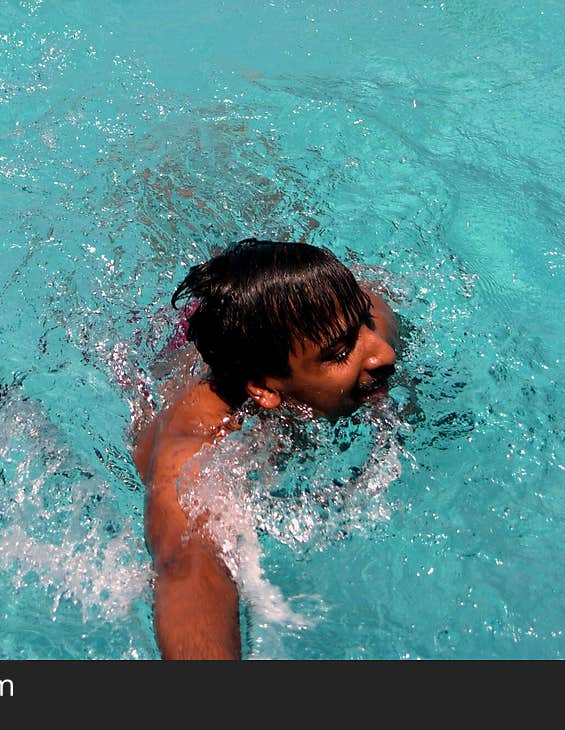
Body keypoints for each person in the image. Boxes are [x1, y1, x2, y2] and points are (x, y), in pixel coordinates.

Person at [132, 238, 400, 660]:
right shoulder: (194, 452)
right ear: (262, 388)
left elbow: (372, 306)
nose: (382, 352)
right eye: (342, 351)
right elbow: (187, 566)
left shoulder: (361, 316)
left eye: (364, 322)